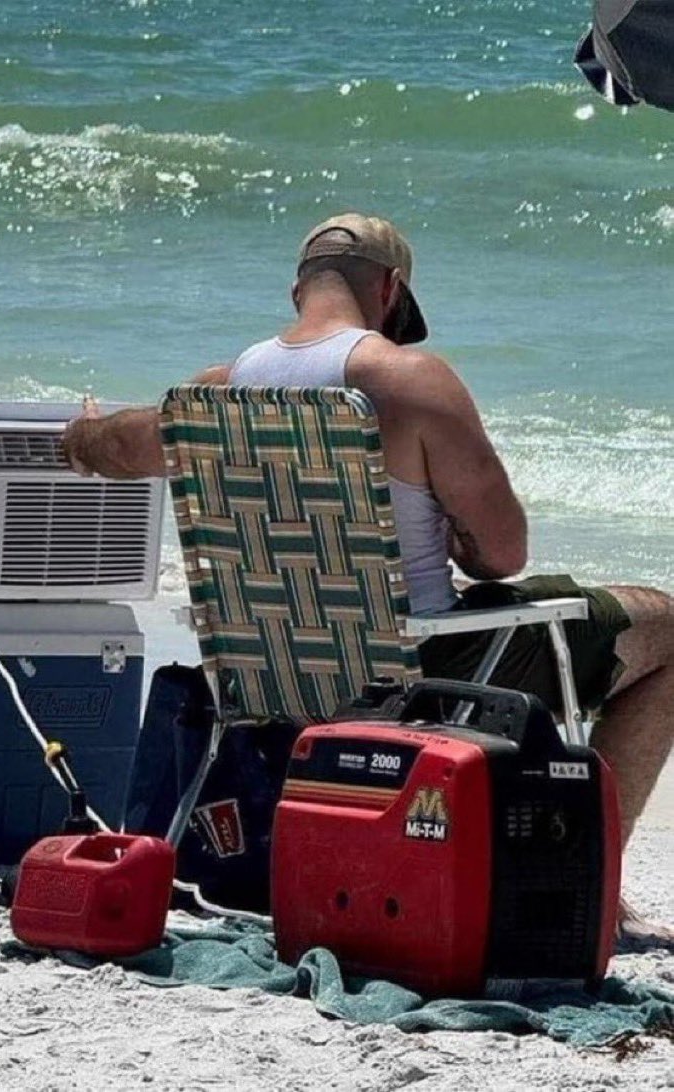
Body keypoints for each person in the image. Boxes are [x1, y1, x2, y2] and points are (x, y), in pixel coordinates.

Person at [61, 212, 674, 934]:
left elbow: (117, 445)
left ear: (299, 290)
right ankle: (600, 887)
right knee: (667, 627)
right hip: (416, 673)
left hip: (269, 675)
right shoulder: (410, 381)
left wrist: (82, 434)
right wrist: (457, 539)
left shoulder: (214, 397)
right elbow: (504, 556)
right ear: (390, 289)